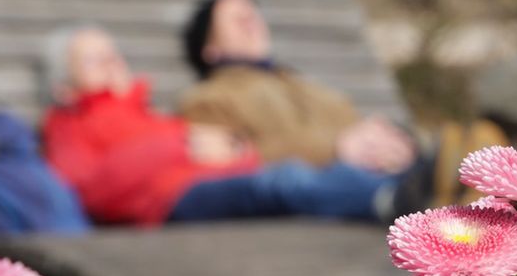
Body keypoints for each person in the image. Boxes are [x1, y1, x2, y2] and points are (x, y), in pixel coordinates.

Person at [39, 26, 427, 226]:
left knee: (292, 177)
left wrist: (241, 153)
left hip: (218, 180)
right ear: (64, 87)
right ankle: (400, 202)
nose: (111, 62)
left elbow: (228, 154)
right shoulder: (68, 125)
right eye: (93, 60)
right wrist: (179, 143)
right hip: (171, 202)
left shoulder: (148, 113)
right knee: (286, 181)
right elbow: (86, 192)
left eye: (113, 54)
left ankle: (422, 184)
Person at [179, 0, 506, 205]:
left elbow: (354, 127)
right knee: (316, 179)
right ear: (211, 49)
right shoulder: (207, 98)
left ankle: (464, 175)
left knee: (446, 148)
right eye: (236, 19)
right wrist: (337, 147)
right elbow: (233, 162)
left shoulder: (298, 83)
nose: (251, 21)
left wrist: (390, 142)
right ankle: (434, 188)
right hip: (332, 184)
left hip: (376, 172)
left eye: (253, 14)